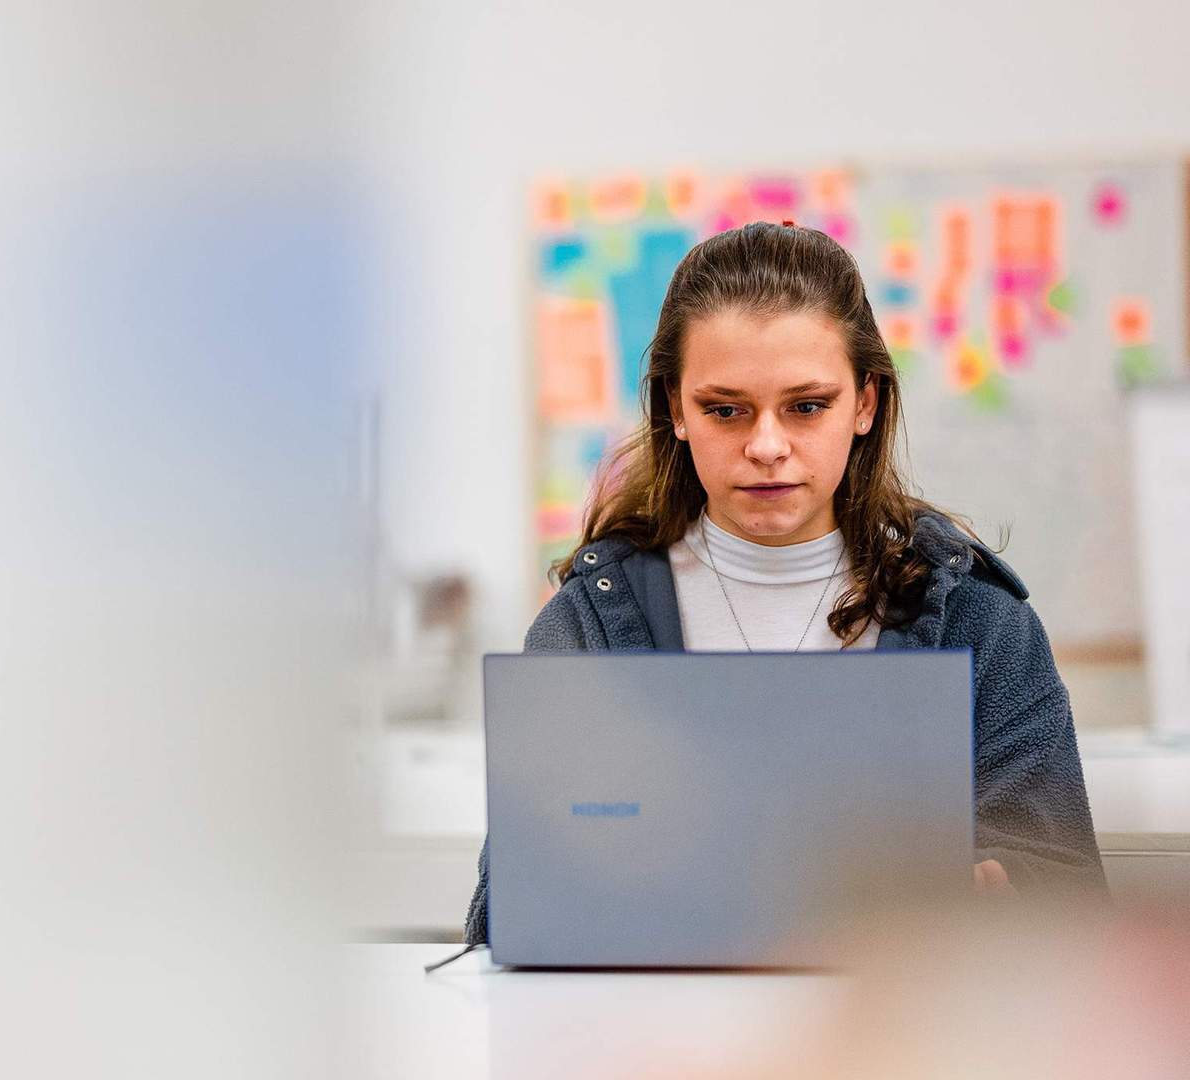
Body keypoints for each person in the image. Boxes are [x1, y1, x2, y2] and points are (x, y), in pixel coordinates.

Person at [463, 221, 1107, 946]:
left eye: (806, 406)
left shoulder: (979, 622)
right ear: (676, 409)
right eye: (725, 409)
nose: (767, 446)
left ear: (864, 404)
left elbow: (1067, 891)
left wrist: (998, 894)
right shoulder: (592, 622)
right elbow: (507, 910)